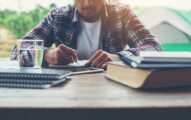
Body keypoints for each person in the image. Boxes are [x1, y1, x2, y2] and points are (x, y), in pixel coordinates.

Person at [11, 0, 162, 69]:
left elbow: (155, 48)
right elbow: (16, 51)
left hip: (115, 88)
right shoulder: (57, 17)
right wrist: (47, 55)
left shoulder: (122, 14)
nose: (87, 3)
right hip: (65, 91)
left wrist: (119, 57)